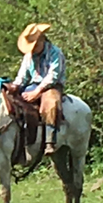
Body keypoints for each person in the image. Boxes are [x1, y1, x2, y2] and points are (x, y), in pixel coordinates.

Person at [9, 22, 64, 152]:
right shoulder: (28, 56)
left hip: (51, 86)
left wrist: (37, 91)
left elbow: (53, 76)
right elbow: (22, 76)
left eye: (34, 46)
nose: (32, 50)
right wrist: (15, 86)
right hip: (31, 86)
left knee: (51, 102)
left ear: (42, 40)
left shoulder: (55, 53)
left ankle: (50, 139)